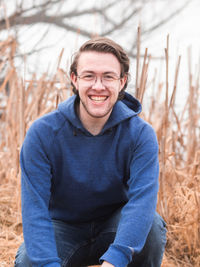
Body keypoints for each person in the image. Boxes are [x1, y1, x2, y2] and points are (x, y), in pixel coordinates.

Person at [15, 37, 167, 267]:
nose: (98, 86)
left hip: (115, 226)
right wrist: (47, 264)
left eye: (108, 76)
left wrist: (115, 260)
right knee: (28, 261)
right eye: (89, 76)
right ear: (74, 79)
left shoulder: (140, 135)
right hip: (63, 227)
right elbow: (35, 210)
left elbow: (142, 203)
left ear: (122, 82)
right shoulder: (42, 133)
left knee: (152, 230)